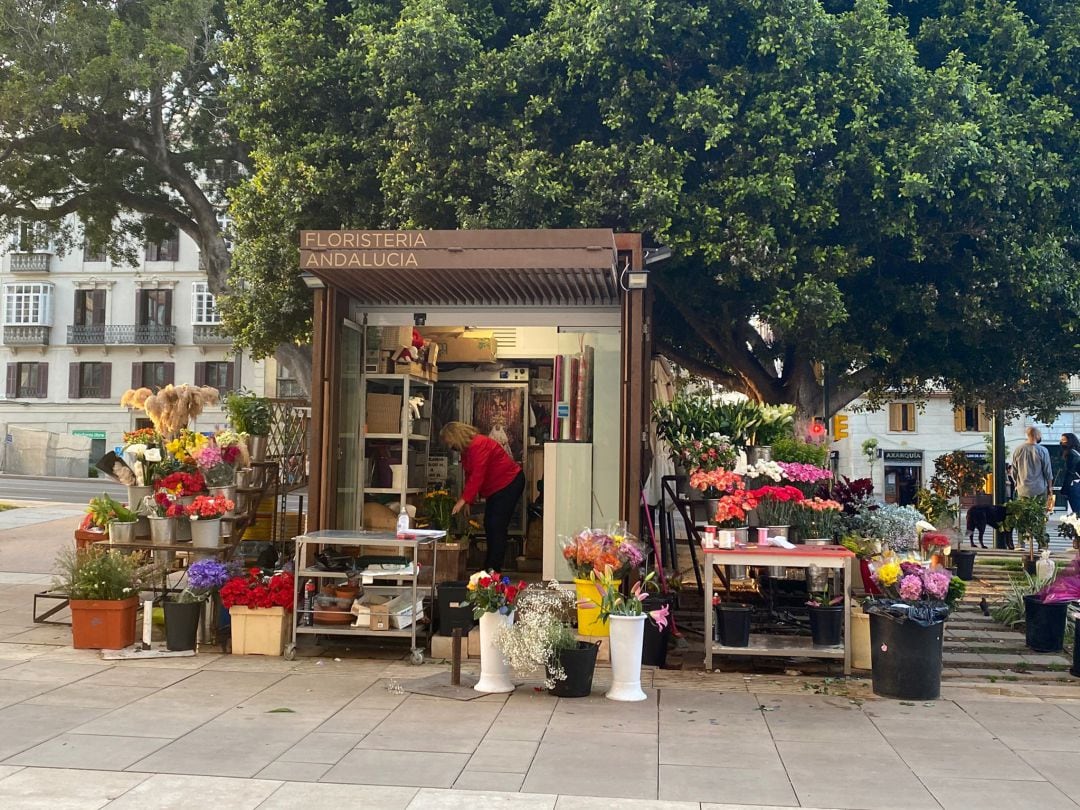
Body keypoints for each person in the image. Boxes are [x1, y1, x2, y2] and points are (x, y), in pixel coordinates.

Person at [440, 421, 525, 571]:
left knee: (496, 525)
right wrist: (468, 501)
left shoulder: (478, 445)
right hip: (498, 486)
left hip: (508, 483)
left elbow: (478, 475)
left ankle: (493, 569)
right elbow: (469, 474)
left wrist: (463, 500)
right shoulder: (467, 450)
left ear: (456, 437)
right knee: (491, 524)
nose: (450, 447)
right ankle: (491, 568)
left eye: (450, 442)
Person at [1011, 426, 1054, 505]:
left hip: (1022, 489)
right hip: (1039, 488)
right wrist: (1050, 487)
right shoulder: (1043, 450)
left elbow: (1014, 471)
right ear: (1037, 435)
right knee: (1040, 512)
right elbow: (1048, 471)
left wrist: (1016, 483)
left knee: (1024, 512)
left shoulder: (1018, 450)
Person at [1058, 433, 1080, 515]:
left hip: (1073, 484)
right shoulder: (1076, 452)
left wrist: (1064, 489)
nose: (1061, 442)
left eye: (1064, 440)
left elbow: (1070, 472)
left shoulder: (1071, 454)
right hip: (1076, 483)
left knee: (1076, 511)